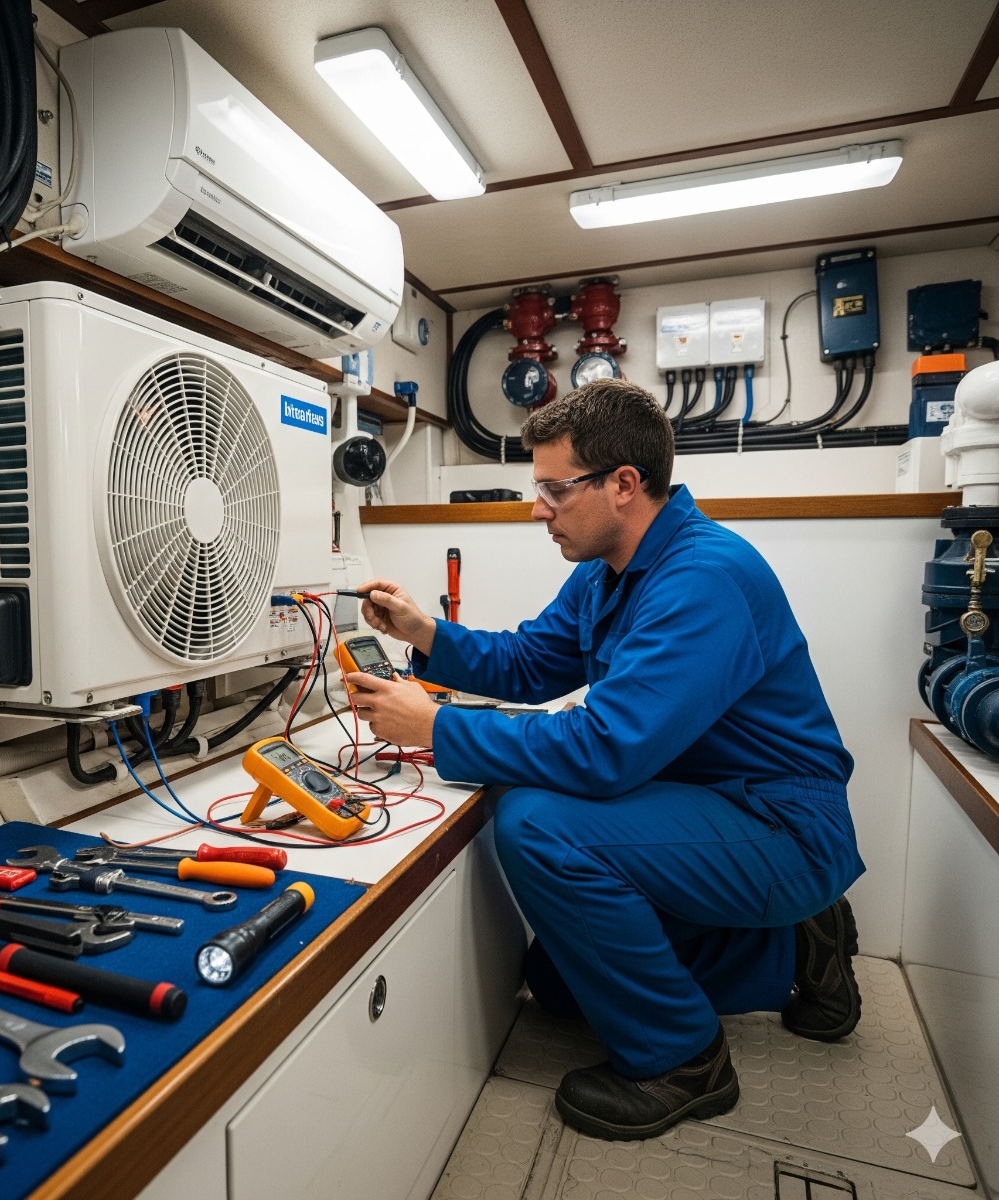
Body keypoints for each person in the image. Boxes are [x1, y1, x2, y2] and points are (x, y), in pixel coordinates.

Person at [345, 378, 865, 1143]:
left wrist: (435, 729)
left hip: (779, 825)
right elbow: (529, 661)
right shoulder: (607, 569)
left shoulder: (703, 578)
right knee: (557, 983)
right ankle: (794, 949)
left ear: (625, 484)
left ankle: (686, 1060)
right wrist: (427, 633)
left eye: (555, 490)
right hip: (709, 807)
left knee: (537, 824)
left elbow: (605, 751)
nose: (537, 509)